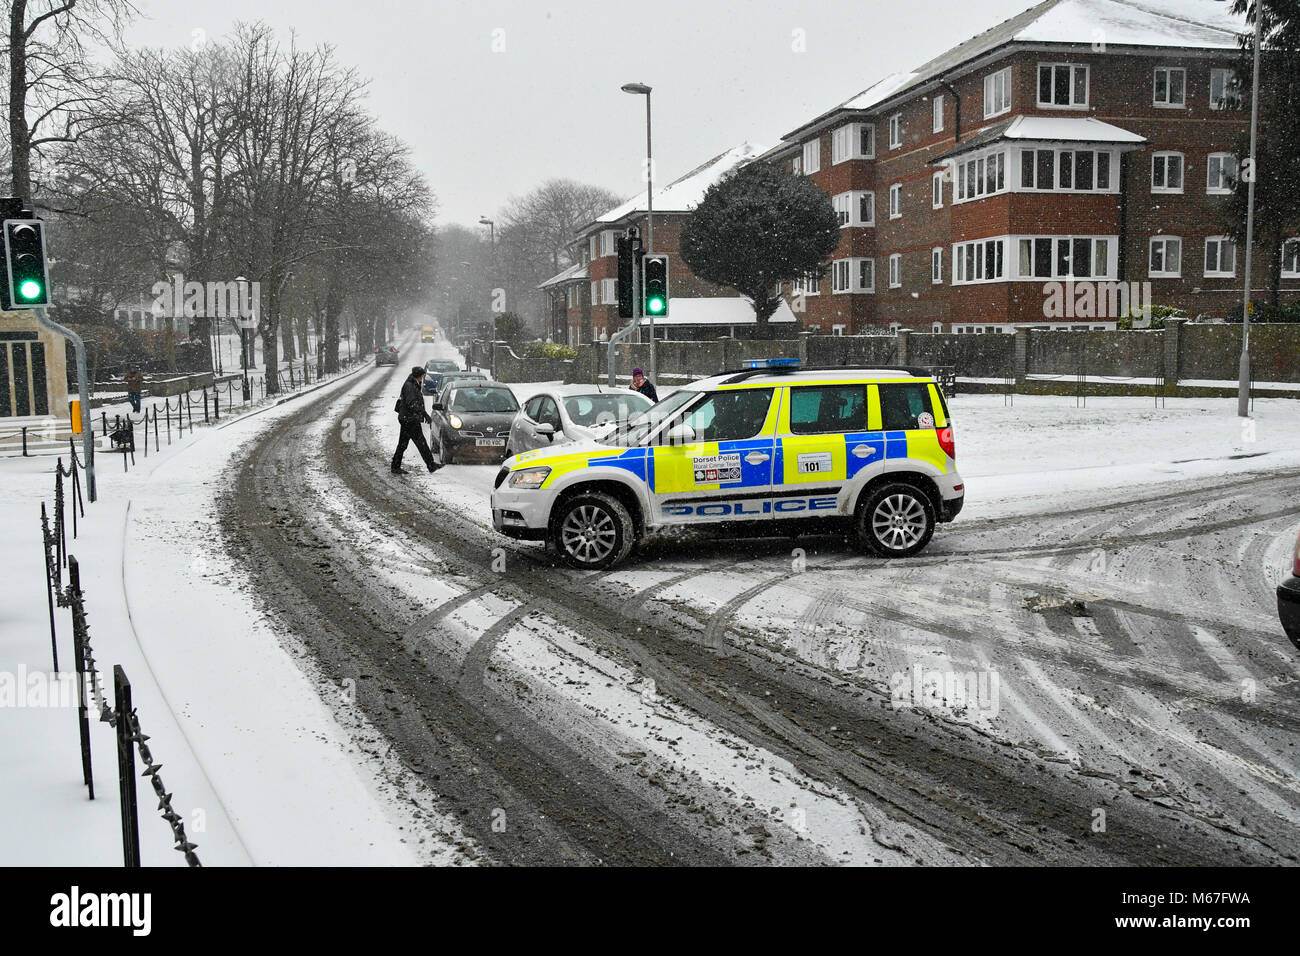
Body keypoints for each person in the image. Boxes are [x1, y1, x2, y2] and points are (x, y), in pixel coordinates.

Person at [391, 366, 439, 475]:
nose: (423, 378)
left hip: (407, 418)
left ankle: (395, 466)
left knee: (403, 444)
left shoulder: (412, 384)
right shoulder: (410, 386)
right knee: (421, 443)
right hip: (410, 419)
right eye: (422, 376)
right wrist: (424, 414)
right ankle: (431, 465)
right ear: (419, 376)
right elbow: (412, 403)